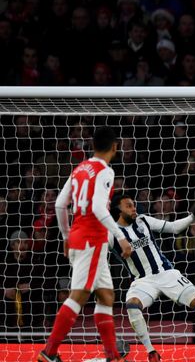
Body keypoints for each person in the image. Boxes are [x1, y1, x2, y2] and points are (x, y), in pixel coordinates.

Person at [39, 126, 133, 362]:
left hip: (79, 237)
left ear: (92, 146)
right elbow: (99, 208)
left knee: (106, 296)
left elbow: (60, 205)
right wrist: (121, 237)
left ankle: (113, 355)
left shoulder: (80, 168)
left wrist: (65, 236)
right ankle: (48, 353)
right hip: (92, 239)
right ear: (114, 147)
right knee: (78, 296)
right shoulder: (105, 171)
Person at [109, 195, 195, 362]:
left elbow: (174, 227)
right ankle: (151, 352)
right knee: (132, 306)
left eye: (133, 205)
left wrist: (193, 217)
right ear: (118, 211)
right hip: (142, 281)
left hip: (166, 273)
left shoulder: (143, 220)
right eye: (128, 206)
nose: (134, 208)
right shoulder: (112, 235)